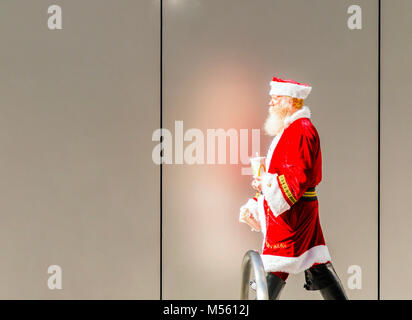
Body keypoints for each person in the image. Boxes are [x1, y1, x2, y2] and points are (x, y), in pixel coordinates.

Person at [239, 76, 347, 300]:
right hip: (296, 213)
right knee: (315, 264)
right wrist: (261, 194)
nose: (270, 103)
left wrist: (265, 182)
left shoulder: (302, 130)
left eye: (275, 99)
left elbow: (300, 177)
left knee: (278, 264)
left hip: (295, 215)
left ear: (290, 102)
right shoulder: (290, 130)